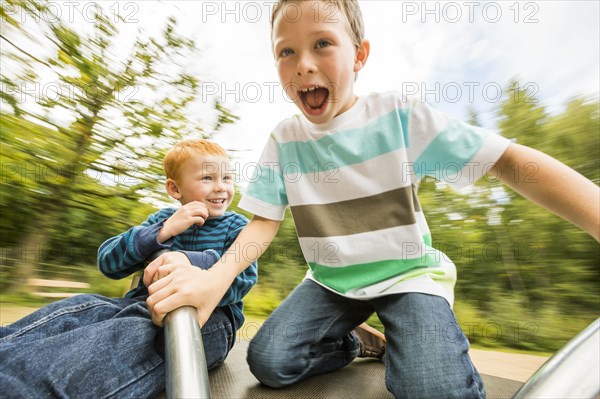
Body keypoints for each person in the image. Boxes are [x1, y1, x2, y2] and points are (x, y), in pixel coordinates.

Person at [118, 2, 598, 399]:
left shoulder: (399, 117)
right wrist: (211, 285)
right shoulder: (284, 140)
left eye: (322, 43)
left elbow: (509, 162)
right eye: (287, 52)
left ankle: (421, 349)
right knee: (269, 361)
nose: (303, 63)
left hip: (409, 275)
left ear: (360, 54)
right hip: (332, 281)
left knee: (431, 388)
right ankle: (352, 341)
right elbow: (261, 224)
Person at [0, 139, 257, 398]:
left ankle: (19, 388)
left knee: (125, 337)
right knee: (80, 309)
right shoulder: (162, 220)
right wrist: (163, 231)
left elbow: (244, 275)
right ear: (175, 188)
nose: (221, 187)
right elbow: (108, 262)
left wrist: (190, 260)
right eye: (208, 178)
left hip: (206, 320)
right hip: (141, 304)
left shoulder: (237, 226)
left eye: (227, 177)